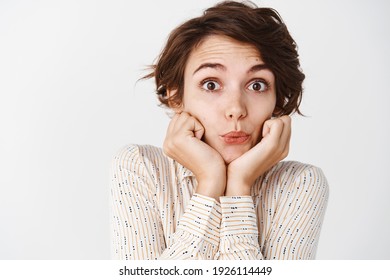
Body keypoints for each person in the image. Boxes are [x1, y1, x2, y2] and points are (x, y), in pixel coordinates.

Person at [110, 0, 329, 260]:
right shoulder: (140, 167)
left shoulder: (300, 184)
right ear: (176, 95)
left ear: (277, 100)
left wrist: (239, 185)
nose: (236, 109)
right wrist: (210, 180)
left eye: (257, 85)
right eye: (211, 84)